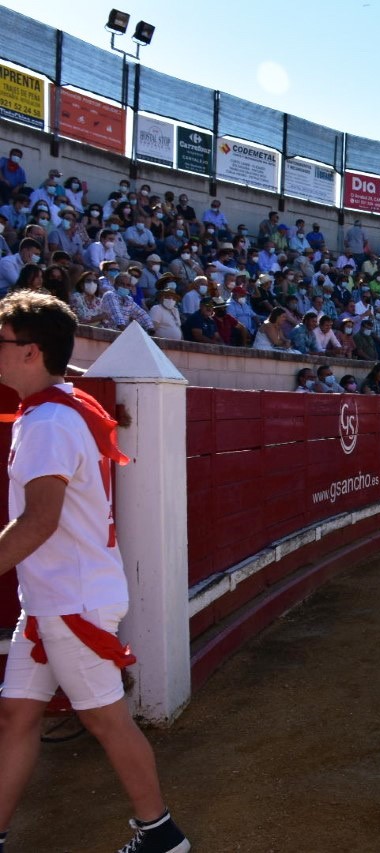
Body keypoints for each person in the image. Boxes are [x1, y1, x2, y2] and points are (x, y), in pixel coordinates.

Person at [0, 291, 191, 853]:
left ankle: (160, 834)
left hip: (69, 603)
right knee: (16, 716)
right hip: (55, 600)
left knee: (107, 722)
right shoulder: (62, 406)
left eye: (1, 341)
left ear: (31, 352)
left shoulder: (47, 422)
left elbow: (39, 521)